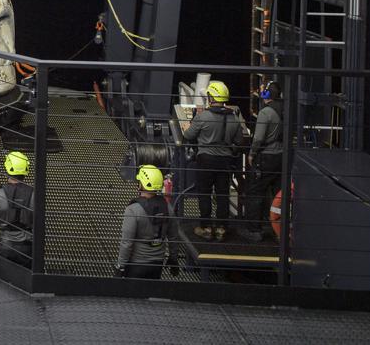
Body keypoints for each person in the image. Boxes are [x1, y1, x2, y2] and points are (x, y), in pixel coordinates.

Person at [183, 80, 241, 241]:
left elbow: (188, 135)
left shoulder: (203, 117)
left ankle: (206, 227)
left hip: (206, 160)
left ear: (211, 97)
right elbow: (239, 140)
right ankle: (221, 229)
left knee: (205, 193)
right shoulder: (234, 119)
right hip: (225, 161)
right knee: (223, 194)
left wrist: (188, 126)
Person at [241, 81, 284, 242]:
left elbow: (258, 137)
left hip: (266, 157)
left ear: (266, 95)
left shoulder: (266, 113)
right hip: (282, 158)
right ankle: (277, 229)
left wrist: (251, 154)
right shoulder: (285, 110)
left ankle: (254, 230)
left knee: (255, 192)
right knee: (278, 194)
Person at [114, 164, 173, 279]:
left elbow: (127, 242)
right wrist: (173, 258)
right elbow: (173, 236)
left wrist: (120, 266)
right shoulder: (168, 208)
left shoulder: (133, 210)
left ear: (141, 184)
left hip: (137, 263)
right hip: (158, 263)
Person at [0, 151, 34, 265]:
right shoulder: (34, 195)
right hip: (27, 248)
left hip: (3, 247)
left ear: (7, 169)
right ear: (26, 171)